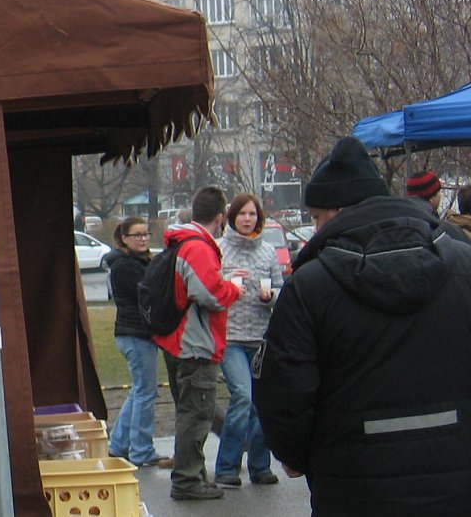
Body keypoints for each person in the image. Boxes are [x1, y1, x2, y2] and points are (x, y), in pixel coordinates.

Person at [256, 136, 471, 514]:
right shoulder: (464, 264)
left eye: (317, 217)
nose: (314, 228)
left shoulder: (310, 286)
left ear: (338, 211)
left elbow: (284, 394)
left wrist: (300, 456)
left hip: (352, 486)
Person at [153, 185, 241, 501]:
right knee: (196, 413)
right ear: (221, 218)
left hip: (177, 339)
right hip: (194, 344)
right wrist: (234, 290)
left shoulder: (181, 243)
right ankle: (188, 480)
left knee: (189, 410)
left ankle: (193, 475)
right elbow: (210, 293)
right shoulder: (198, 248)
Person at [212, 193, 280, 487]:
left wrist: (271, 295)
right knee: (242, 396)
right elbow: (210, 290)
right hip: (231, 338)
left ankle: (259, 465)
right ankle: (226, 467)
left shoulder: (267, 252)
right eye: (242, 214)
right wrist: (228, 284)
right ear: (231, 217)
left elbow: (280, 288)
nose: (247, 219)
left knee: (261, 404)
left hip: (260, 338)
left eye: (252, 214)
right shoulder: (218, 249)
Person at [105, 217, 172, 469]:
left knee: (139, 390)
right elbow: (148, 294)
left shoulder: (141, 261)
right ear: (124, 238)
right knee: (146, 391)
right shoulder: (124, 266)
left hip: (138, 335)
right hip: (133, 334)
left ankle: (119, 445)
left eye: (146, 234)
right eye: (137, 235)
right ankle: (142, 450)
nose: (143, 239)